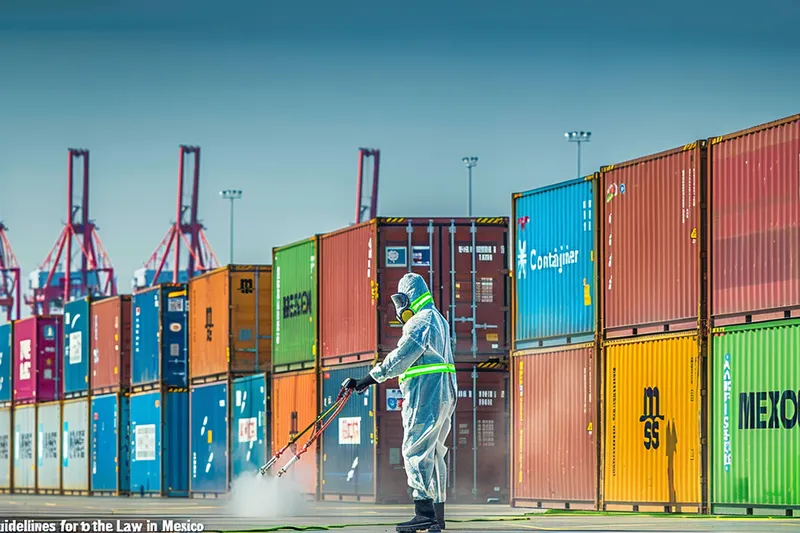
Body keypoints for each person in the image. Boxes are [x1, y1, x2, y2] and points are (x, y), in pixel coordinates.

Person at [345, 273, 457, 533]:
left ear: (411, 298)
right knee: (435, 453)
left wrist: (369, 378)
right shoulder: (438, 319)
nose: (399, 307)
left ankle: (423, 513)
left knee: (414, 450)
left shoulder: (421, 321)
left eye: (400, 300)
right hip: (443, 393)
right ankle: (437, 516)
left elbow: (402, 357)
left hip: (425, 394)